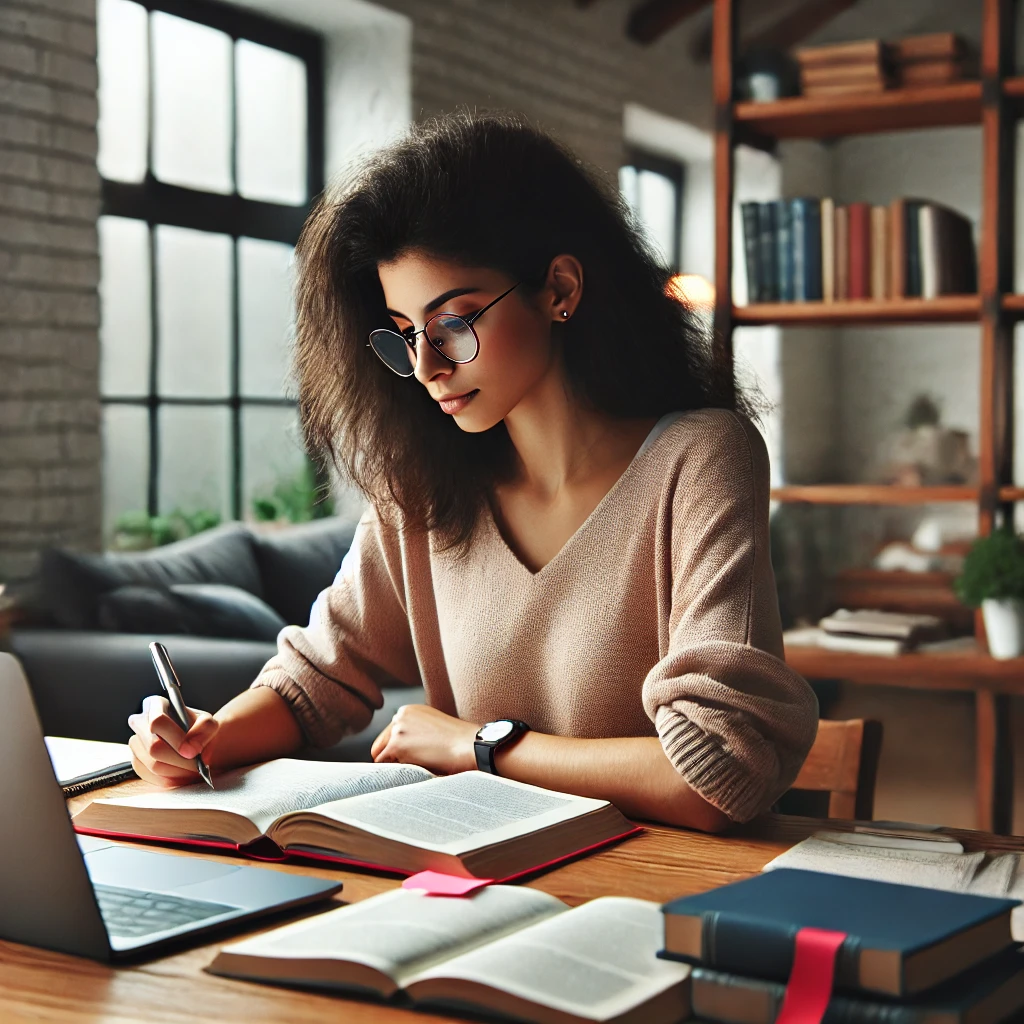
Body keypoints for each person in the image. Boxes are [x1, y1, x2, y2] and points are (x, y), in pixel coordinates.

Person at [128, 111, 817, 831]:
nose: (425, 368)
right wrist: (201, 740)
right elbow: (317, 681)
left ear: (558, 289)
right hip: (474, 879)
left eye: (454, 324)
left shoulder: (700, 458)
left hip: (652, 889)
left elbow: (719, 770)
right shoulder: (421, 484)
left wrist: (479, 746)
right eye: (404, 335)